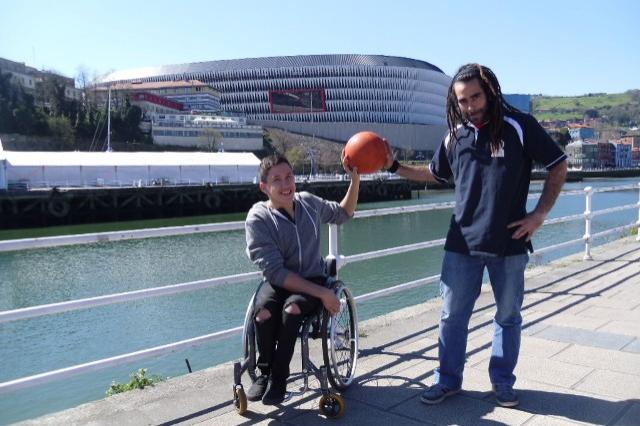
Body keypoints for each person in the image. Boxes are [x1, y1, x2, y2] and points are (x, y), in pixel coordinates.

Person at [383, 63, 568, 407]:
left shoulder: (519, 126)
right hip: (461, 244)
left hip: (509, 242)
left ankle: (502, 382)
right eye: (463, 100)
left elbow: (558, 165)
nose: (470, 106)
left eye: (475, 97)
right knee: (452, 316)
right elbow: (436, 174)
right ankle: (447, 380)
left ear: (491, 91)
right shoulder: (456, 134)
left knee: (508, 316)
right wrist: (395, 167)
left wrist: (539, 215)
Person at [244, 154, 360, 405]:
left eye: (289, 177)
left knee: (292, 308)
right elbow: (275, 272)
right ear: (264, 187)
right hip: (277, 282)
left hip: (310, 279)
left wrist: (355, 180)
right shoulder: (258, 218)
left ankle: (280, 377)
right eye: (277, 180)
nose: (286, 185)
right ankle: (263, 372)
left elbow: (343, 213)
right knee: (262, 313)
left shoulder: (308, 203)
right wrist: (323, 294)